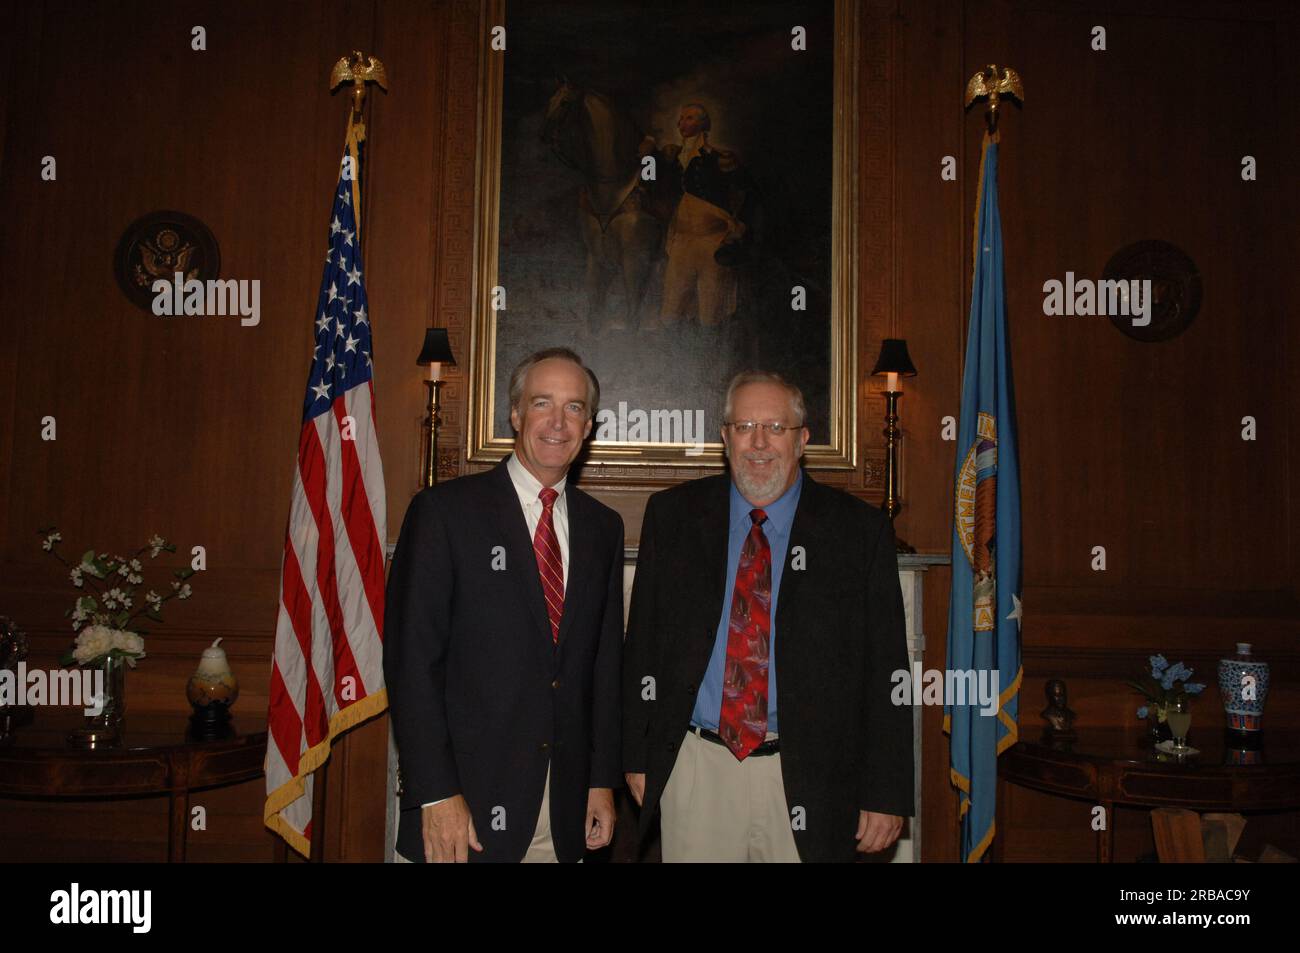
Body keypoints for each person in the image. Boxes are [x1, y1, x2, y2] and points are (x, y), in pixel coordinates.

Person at [622, 371, 913, 862]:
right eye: (744, 427)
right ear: (724, 437)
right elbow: (642, 646)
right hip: (697, 769)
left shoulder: (858, 532)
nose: (758, 443)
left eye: (775, 428)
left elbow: (888, 669)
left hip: (812, 775)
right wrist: (635, 754)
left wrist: (885, 792)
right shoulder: (673, 517)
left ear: (802, 440)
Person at [385, 347, 625, 862]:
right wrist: (435, 791)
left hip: (562, 816)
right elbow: (411, 666)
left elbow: (604, 668)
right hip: (461, 812)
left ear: (589, 426)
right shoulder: (444, 514)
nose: (558, 422)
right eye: (542, 403)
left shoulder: (604, 528)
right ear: (515, 414)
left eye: (575, 408)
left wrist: (601, 780)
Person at [641, 102, 752, 327]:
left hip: (712, 240)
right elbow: (649, 183)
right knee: (672, 309)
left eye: (689, 118)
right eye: (681, 118)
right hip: (682, 240)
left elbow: (742, 188)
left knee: (711, 311)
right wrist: (648, 156)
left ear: (703, 124)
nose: (682, 123)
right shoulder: (670, 157)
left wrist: (735, 168)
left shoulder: (716, 156)